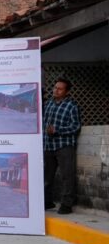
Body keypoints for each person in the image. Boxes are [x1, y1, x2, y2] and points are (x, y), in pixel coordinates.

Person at [43, 77, 81, 215]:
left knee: (67, 176)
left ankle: (67, 204)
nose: (56, 90)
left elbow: (75, 126)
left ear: (67, 91)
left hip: (64, 145)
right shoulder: (48, 104)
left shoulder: (71, 106)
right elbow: (43, 124)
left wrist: (57, 130)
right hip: (48, 145)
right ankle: (47, 201)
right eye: (55, 87)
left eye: (60, 89)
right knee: (47, 176)